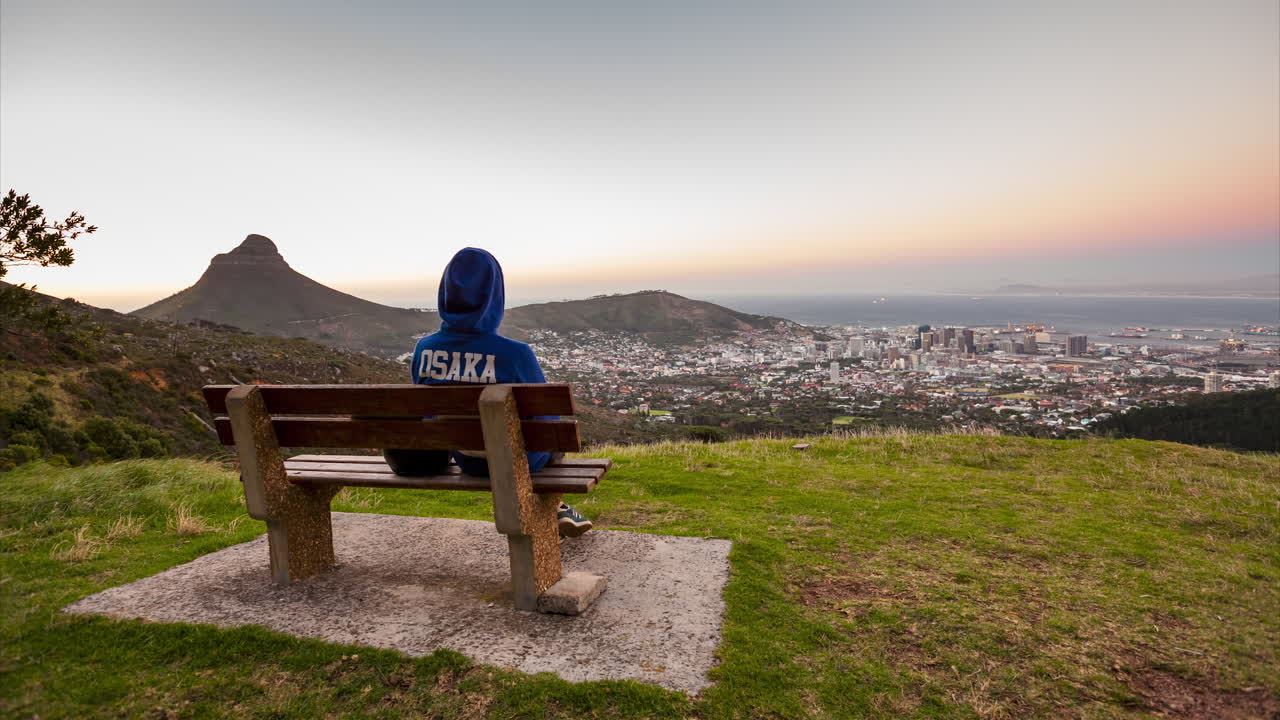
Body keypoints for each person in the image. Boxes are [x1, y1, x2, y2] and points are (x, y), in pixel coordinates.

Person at [383, 247, 592, 537]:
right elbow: (548, 422)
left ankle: (557, 509)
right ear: (494, 298)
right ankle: (554, 507)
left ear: (445, 295)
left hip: (467, 459)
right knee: (552, 443)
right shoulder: (516, 354)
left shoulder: (424, 349)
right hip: (517, 463)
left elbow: (428, 413)